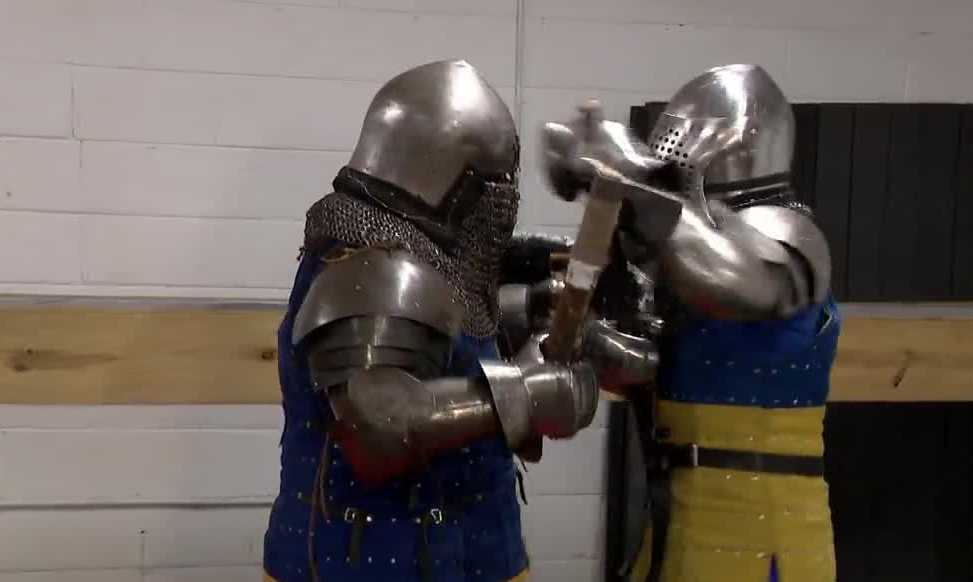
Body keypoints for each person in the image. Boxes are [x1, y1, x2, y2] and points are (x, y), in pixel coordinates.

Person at [263, 59, 599, 582]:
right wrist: (524, 394)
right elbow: (378, 428)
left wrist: (524, 309)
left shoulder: (400, 253)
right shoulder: (381, 264)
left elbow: (444, 341)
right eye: (498, 185)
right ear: (464, 185)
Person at [542, 64, 841, 582]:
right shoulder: (689, 251)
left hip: (760, 530)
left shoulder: (788, 236)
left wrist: (628, 182)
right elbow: (640, 366)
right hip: (681, 521)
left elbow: (738, 281)